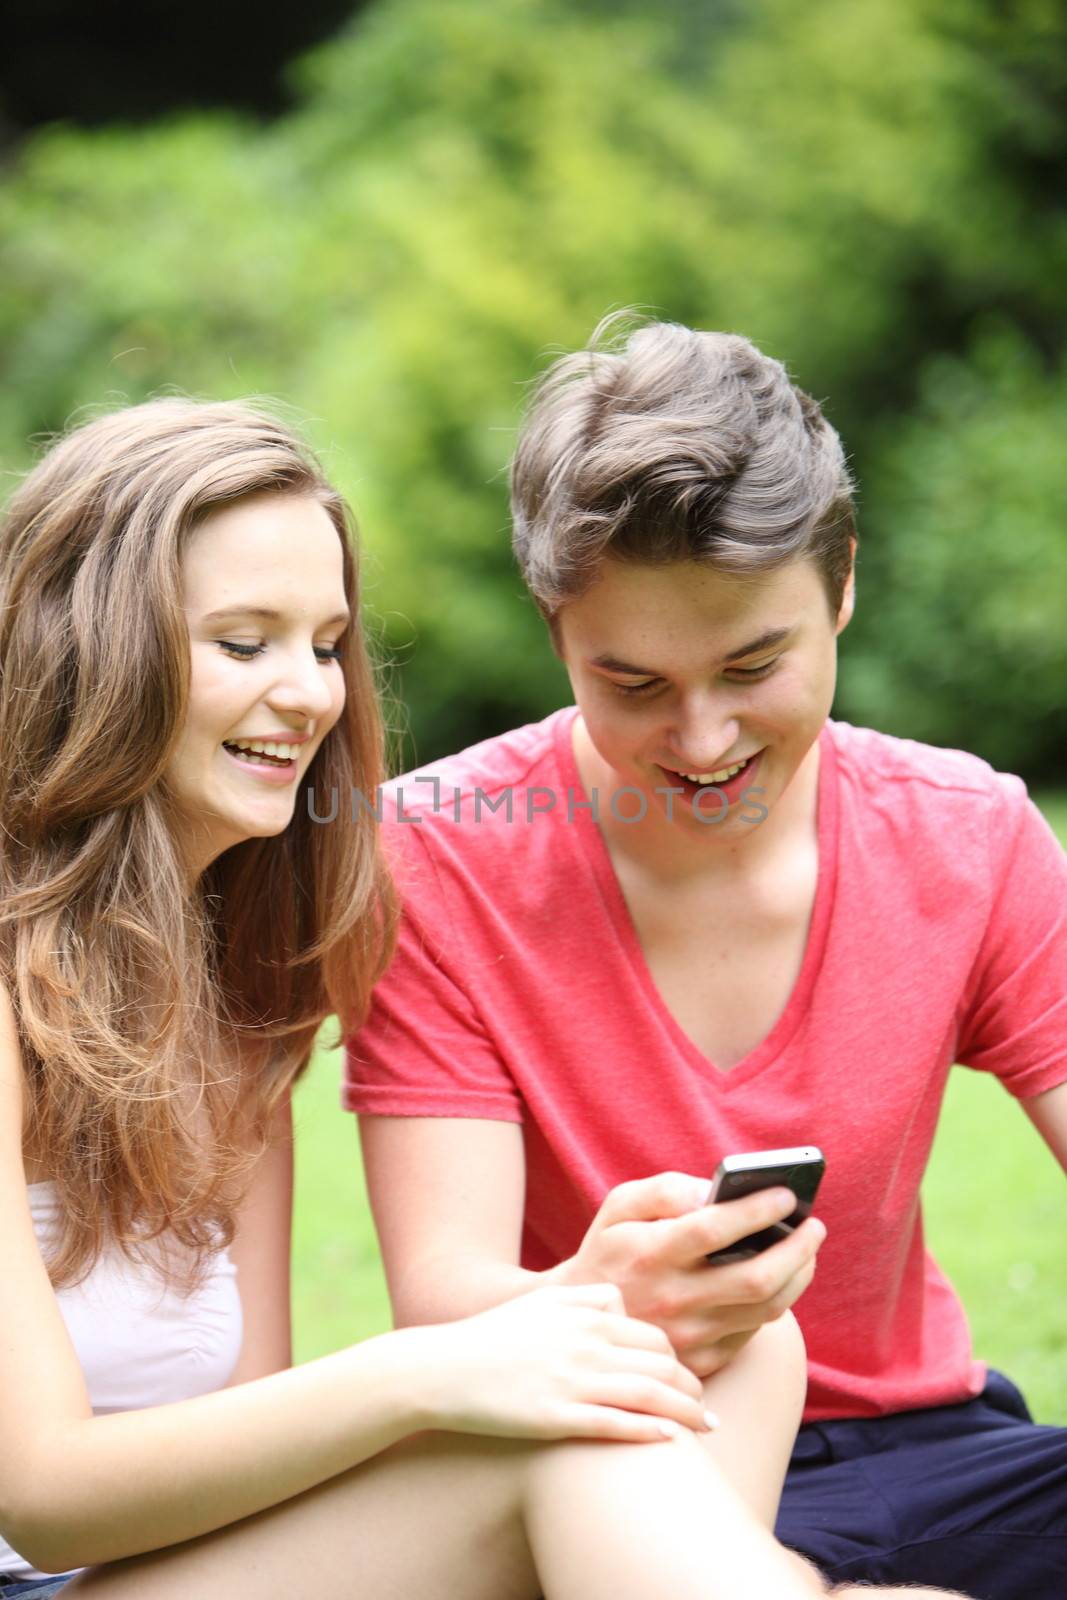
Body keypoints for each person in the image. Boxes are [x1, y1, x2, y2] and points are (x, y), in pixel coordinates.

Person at [0, 396, 934, 1600]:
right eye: (245, 643)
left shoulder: (237, 1007)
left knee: (728, 1349)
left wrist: (544, 1333)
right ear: (95, 648)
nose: (308, 694)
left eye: (325, 643)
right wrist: (430, 1372)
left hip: (166, 1574)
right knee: (578, 1434)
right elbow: (41, 1485)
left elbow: (250, 1446)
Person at [346, 316, 1067, 1600]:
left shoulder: (970, 836)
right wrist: (599, 1288)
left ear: (840, 585)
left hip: (937, 1451)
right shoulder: (434, 859)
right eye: (630, 683)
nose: (700, 736)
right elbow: (444, 1297)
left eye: (752, 664)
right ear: (554, 627)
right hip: (620, 1458)